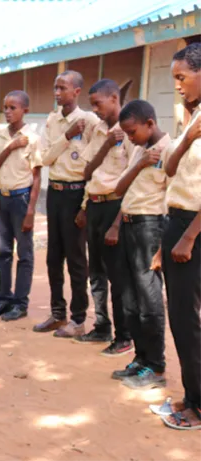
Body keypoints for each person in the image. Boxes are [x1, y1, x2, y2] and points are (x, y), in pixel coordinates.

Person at [102, 100, 169, 390]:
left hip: (150, 227)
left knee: (150, 300)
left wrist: (163, 245)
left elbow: (175, 199)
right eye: (126, 133)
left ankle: (155, 365)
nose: (129, 137)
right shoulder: (141, 151)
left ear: (150, 124)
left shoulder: (171, 150)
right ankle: (140, 359)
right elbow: (119, 188)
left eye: (133, 132)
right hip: (129, 223)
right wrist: (140, 162)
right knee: (130, 299)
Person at [151, 42, 201, 430]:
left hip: (194, 230)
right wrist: (186, 137)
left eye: (182, 77)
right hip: (177, 222)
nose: (178, 86)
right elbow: (168, 169)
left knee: (188, 320)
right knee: (182, 319)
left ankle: (198, 408)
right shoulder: (193, 117)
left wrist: (188, 237)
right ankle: (191, 395)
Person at [71, 79, 134, 357]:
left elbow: (134, 183)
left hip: (115, 207)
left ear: (114, 98)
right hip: (95, 205)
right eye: (91, 104)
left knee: (118, 276)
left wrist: (118, 223)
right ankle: (102, 326)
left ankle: (124, 336)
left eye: (98, 103)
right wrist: (85, 206)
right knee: (95, 272)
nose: (94, 109)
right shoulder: (99, 130)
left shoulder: (132, 130)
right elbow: (88, 172)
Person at [34, 70, 98, 337]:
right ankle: (57, 313)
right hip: (56, 194)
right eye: (55, 88)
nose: (57, 93)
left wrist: (85, 205)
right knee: (53, 257)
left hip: (76, 193)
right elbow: (45, 158)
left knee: (76, 259)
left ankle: (79, 318)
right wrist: (68, 135)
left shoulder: (90, 121)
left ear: (77, 91)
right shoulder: (52, 121)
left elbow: (95, 166)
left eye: (62, 88)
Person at [0, 90, 43, 322]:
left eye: (13, 108)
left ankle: (20, 303)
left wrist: (31, 211)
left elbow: (36, 177)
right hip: (2, 197)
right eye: (5, 107)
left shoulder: (32, 139)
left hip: (21, 199)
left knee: (25, 253)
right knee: (3, 251)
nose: (7, 112)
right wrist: (9, 147)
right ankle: (4, 299)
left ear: (24, 110)